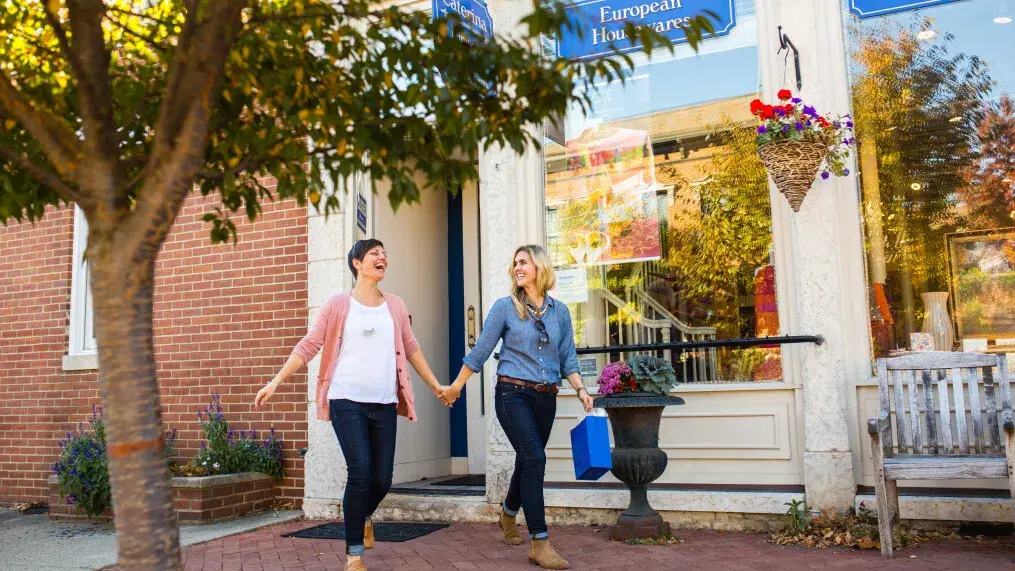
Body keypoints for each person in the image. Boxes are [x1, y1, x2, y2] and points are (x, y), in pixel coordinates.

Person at [254, 238, 445, 571]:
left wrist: (436, 385)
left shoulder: (396, 306)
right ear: (357, 262)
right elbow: (310, 344)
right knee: (360, 471)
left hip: (384, 402)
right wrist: (276, 381)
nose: (382, 258)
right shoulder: (338, 305)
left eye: (385, 254)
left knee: (383, 478)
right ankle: (353, 554)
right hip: (346, 401)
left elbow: (411, 349)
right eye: (375, 254)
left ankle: (363, 515)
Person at [439, 244, 594, 570]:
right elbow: (480, 350)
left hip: (546, 397)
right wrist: (456, 386)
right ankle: (540, 541)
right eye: (515, 263)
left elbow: (568, 358)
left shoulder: (560, 312)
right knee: (535, 457)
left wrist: (581, 389)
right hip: (512, 394)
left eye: (523, 262)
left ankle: (508, 514)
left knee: (528, 459)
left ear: (540, 267)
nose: (517, 267)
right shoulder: (505, 308)